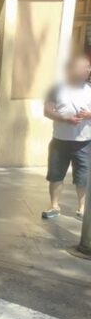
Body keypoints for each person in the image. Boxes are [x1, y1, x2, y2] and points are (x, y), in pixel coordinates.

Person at [43, 55, 91, 219]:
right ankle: (54, 205)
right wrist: (65, 119)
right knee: (56, 174)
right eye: (85, 66)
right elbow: (47, 110)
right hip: (60, 141)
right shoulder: (57, 89)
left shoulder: (90, 89)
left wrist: (89, 115)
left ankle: (82, 207)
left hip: (84, 143)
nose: (88, 70)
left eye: (89, 67)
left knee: (82, 177)